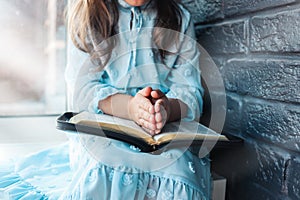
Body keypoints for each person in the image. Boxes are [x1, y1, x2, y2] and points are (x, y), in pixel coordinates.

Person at [0, 0, 211, 199]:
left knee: (178, 173)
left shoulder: (179, 19)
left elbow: (190, 91)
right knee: (106, 168)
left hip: (161, 128)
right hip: (103, 124)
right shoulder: (88, 16)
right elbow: (83, 90)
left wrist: (165, 109)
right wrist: (130, 107)